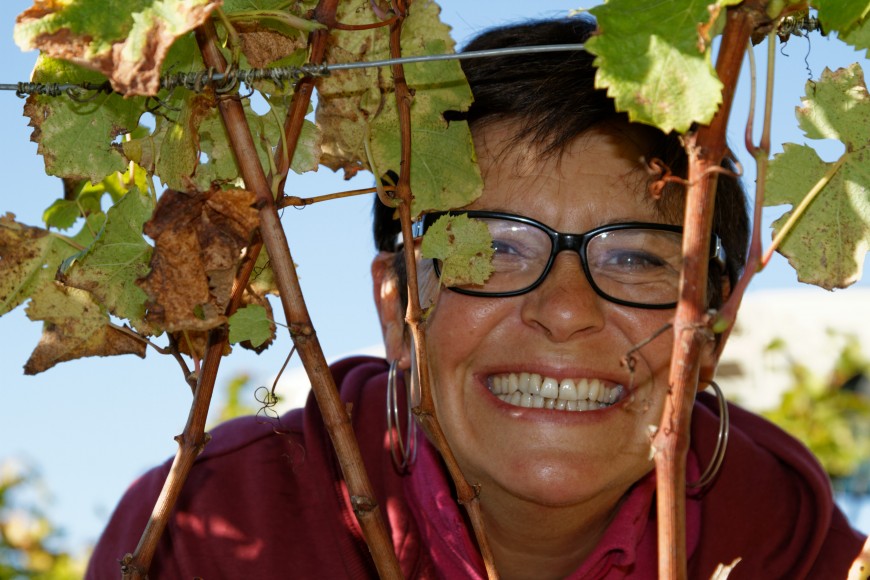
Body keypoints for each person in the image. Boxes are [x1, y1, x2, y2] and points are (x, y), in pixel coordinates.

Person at [86, 16, 866, 579]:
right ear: (397, 310)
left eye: (633, 257)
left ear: (711, 340)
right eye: (493, 248)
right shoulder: (212, 526)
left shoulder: (783, 536)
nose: (565, 312)